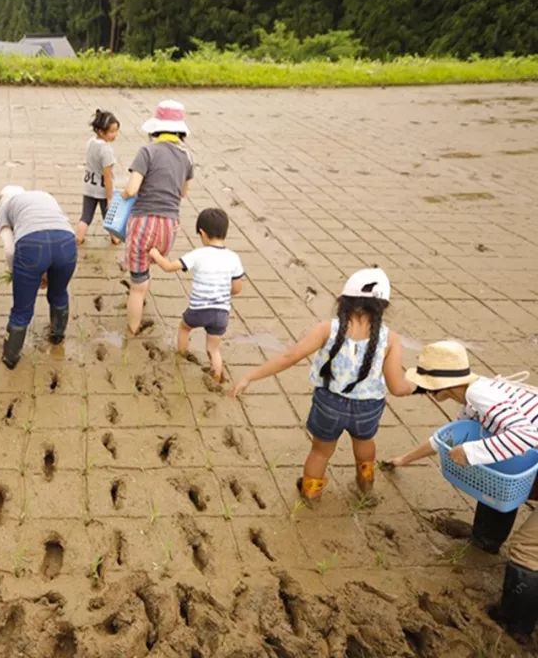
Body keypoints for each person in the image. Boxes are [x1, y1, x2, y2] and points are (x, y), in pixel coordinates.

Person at [384, 341, 538, 639]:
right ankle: (486, 540)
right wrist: (403, 459)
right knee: (496, 487)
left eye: (427, 386)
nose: (426, 393)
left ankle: (515, 626)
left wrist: (472, 452)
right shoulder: (473, 393)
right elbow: (448, 439)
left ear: (442, 385)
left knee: (528, 550)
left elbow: (525, 434)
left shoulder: (481, 396)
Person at [231, 268, 415, 501]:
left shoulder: (327, 329)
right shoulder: (390, 339)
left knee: (320, 452)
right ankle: (365, 486)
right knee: (364, 444)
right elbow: (397, 387)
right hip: (368, 407)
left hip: (329, 403)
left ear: (344, 300)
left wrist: (251, 376)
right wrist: (418, 385)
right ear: (383, 306)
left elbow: (289, 358)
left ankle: (310, 494)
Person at [122, 100, 194, 335]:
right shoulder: (187, 157)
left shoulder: (147, 152)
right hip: (169, 225)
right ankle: (144, 288)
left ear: (156, 129)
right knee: (151, 262)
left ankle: (133, 327)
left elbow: (132, 189)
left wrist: (124, 193)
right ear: (180, 131)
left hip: (144, 222)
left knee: (137, 284)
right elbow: (184, 192)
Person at [148, 207, 244, 382]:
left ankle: (182, 355)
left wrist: (155, 254)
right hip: (221, 313)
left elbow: (169, 267)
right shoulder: (234, 258)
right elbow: (237, 288)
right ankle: (216, 376)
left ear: (202, 233)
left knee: (184, 328)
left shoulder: (198, 254)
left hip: (199, 310)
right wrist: (222, 290)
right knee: (213, 349)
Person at [0, 185, 78, 369]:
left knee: (22, 311)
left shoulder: (5, 208)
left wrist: (19, 273)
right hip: (67, 242)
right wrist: (46, 270)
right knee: (59, 293)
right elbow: (52, 231)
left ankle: (11, 357)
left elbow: (9, 250)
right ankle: (57, 335)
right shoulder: (44, 195)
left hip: (32, 246)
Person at [76, 109, 121, 246]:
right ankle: (115, 238)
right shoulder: (106, 151)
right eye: (112, 131)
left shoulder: (91, 142)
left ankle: (79, 237)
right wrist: (110, 197)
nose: (115, 135)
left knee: (85, 217)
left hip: (89, 186)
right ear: (101, 132)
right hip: (102, 190)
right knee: (109, 216)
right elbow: (107, 176)